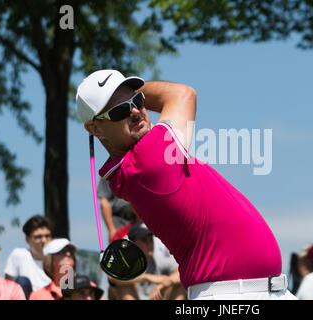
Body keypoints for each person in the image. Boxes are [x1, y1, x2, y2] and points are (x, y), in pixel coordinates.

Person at [77, 69, 294, 300]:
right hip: (231, 295)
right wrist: (135, 92)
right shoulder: (149, 160)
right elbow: (183, 94)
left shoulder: (133, 167)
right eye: (119, 110)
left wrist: (124, 95)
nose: (135, 111)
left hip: (256, 291)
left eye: (137, 101)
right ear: (95, 129)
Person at [109, 222, 186, 300]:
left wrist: (168, 281)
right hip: (135, 297)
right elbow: (111, 277)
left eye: (151, 239)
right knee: (122, 287)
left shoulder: (159, 258)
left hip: (157, 298)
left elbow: (182, 271)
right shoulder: (126, 260)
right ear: (133, 243)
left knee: (179, 287)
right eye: (144, 240)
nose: (149, 243)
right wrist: (146, 277)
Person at [4, 215, 53, 298]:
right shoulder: (18, 255)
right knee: (22, 281)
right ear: (27, 239)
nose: (44, 240)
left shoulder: (58, 258)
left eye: (47, 236)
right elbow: (7, 288)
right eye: (38, 237)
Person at [98, 177, 132, 243]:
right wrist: (111, 229)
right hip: (120, 222)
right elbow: (104, 201)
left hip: (144, 221)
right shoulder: (112, 169)